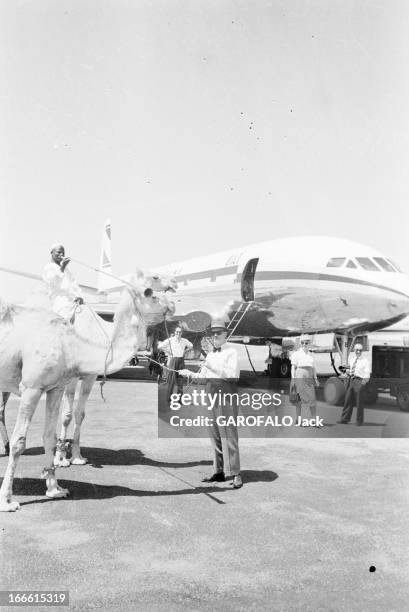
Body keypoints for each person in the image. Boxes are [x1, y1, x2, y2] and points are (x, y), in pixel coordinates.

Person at [179, 318, 242, 489]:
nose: (215, 336)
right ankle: (219, 471)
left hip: (227, 394)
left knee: (229, 434)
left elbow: (232, 375)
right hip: (210, 394)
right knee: (214, 433)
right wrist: (189, 374)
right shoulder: (212, 354)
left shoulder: (232, 352)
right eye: (213, 333)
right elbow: (204, 376)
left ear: (225, 334)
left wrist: (210, 365)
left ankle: (235, 473)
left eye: (218, 333)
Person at [42, 244, 84, 320]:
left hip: (72, 303)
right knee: (63, 325)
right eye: (58, 252)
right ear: (52, 253)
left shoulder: (67, 270)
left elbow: (74, 283)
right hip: (60, 302)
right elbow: (53, 282)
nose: (61, 254)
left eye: (63, 253)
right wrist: (62, 267)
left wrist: (79, 296)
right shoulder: (48, 267)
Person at [337, 343, 370, 426]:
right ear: (354, 350)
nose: (358, 351)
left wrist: (363, 383)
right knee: (348, 400)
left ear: (362, 351)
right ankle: (345, 419)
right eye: (357, 350)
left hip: (359, 381)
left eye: (360, 350)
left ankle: (359, 421)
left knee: (359, 403)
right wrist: (347, 372)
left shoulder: (365, 361)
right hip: (351, 380)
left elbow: (367, 374)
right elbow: (351, 369)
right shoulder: (352, 359)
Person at [290, 334, 319, 424]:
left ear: (309, 343)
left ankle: (313, 419)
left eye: (306, 343)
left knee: (312, 398)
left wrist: (316, 379)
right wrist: (293, 379)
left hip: (309, 376)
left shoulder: (311, 355)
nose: (304, 344)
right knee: (299, 399)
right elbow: (293, 367)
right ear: (300, 343)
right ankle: (298, 419)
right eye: (302, 343)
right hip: (300, 375)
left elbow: (314, 368)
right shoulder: (296, 354)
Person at [159, 326, 193, 399]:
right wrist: (168, 352)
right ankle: (169, 398)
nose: (178, 333)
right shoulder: (170, 340)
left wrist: (185, 351)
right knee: (171, 380)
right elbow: (160, 346)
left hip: (181, 361)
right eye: (177, 332)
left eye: (180, 332)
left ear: (182, 333)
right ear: (175, 332)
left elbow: (191, 346)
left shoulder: (184, 340)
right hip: (173, 360)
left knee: (180, 380)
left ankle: (180, 399)